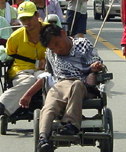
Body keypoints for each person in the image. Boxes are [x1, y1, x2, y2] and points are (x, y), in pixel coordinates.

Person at [18, 23, 103, 152]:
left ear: (63, 34)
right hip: (60, 84)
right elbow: (47, 75)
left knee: (76, 85)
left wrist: (95, 67)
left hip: (82, 84)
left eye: (57, 44)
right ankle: (43, 138)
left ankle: (71, 124)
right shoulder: (50, 54)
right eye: (53, 48)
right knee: (50, 101)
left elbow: (97, 61)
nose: (57, 50)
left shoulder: (82, 44)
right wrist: (28, 94)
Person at [0, 1, 47, 116]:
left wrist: (48, 59)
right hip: (21, 70)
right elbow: (6, 54)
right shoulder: (16, 36)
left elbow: (62, 50)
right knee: (32, 80)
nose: (26, 22)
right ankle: (3, 103)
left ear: (37, 15)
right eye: (23, 19)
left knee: (46, 79)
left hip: (45, 70)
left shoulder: (49, 31)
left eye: (29, 18)